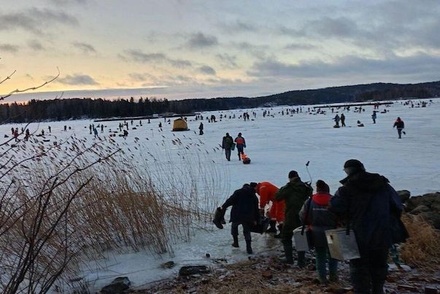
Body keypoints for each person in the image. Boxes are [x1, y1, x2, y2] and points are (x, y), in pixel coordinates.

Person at [329, 159, 404, 293]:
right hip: (382, 234)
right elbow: (397, 205)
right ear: (362, 168)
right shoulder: (384, 185)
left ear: (347, 171)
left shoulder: (347, 188)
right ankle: (378, 290)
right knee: (379, 267)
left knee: (358, 269)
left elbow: (335, 207)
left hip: (358, 234)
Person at [299, 180, 338, 284]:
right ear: (327, 190)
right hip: (332, 232)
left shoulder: (310, 200)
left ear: (317, 190)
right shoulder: (334, 200)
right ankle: (333, 277)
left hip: (316, 232)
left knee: (320, 255)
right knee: (333, 254)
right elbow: (342, 215)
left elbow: (302, 215)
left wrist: (308, 224)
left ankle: (322, 278)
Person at [275, 170, 313, 267]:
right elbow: (311, 192)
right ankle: (301, 261)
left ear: (290, 178)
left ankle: (289, 259)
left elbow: (277, 197)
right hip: (303, 216)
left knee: (286, 236)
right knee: (301, 237)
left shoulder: (289, 187)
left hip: (291, 216)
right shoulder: (305, 186)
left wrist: (286, 186)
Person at [220, 182, 260, 254]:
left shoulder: (238, 192)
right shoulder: (254, 196)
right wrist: (256, 220)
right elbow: (256, 210)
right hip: (248, 217)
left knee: (234, 228)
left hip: (237, 215)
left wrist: (223, 206)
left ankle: (236, 243)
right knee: (247, 231)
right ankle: (249, 248)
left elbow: (230, 201)